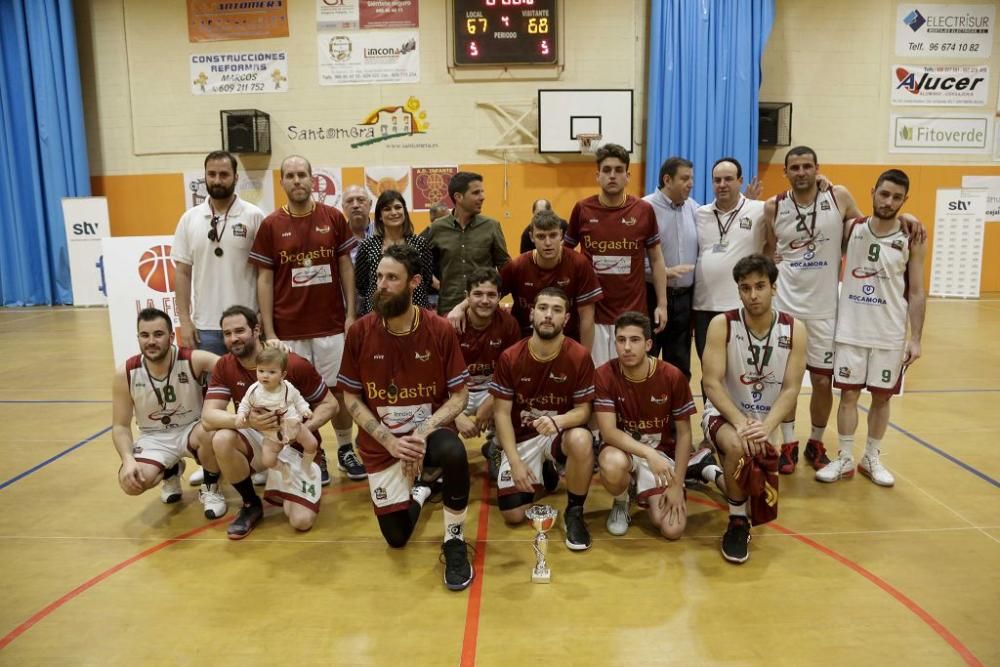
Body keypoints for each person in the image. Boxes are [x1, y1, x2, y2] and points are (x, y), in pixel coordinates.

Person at [337, 245, 475, 591]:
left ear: (414, 283)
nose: (381, 285)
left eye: (391, 278)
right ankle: (423, 490)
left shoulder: (439, 330)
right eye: (379, 277)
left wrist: (422, 433)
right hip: (382, 443)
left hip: (425, 436)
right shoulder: (360, 332)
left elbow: (460, 396)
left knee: (454, 452)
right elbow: (350, 397)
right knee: (397, 539)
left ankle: (454, 540)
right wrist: (389, 441)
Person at [251, 155, 366, 482]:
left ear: (313, 180)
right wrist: (270, 330)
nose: (297, 180)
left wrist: (350, 314)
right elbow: (264, 278)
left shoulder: (332, 218)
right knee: (294, 397)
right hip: (288, 331)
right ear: (283, 182)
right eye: (290, 175)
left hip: (330, 326)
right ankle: (313, 450)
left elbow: (346, 266)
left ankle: (345, 448)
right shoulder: (271, 224)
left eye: (302, 174)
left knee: (339, 393)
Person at [816, 169, 926, 487]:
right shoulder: (852, 228)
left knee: (882, 399)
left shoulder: (911, 236)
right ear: (873, 191)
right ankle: (846, 457)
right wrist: (823, 179)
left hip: (889, 333)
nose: (889, 202)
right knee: (847, 395)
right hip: (851, 329)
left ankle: (871, 456)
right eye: (884, 194)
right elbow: (831, 196)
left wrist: (915, 339)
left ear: (904, 200)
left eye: (896, 197)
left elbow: (917, 291)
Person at [702, 254, 806, 564]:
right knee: (738, 448)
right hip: (723, 415)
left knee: (752, 490)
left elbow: (791, 389)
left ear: (774, 288)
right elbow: (712, 384)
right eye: (745, 288)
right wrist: (742, 423)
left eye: (760, 286)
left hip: (765, 423)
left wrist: (767, 425)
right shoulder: (722, 324)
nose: (753, 295)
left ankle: (706, 469)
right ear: (738, 291)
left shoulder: (795, 329)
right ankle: (737, 522)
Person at [203, 305, 339, 539]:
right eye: (227, 333)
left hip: (295, 446)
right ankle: (250, 504)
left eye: (239, 331)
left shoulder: (291, 364)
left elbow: (330, 405)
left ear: (256, 330)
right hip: (262, 440)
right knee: (221, 437)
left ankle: (300, 474)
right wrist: (245, 421)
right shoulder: (225, 365)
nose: (233, 338)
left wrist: (302, 429)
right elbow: (208, 417)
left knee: (301, 521)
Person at [595, 311, 723, 539]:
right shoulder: (604, 375)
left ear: (648, 344)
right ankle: (621, 501)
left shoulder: (672, 376)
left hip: (662, 456)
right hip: (625, 451)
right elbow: (609, 432)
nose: (626, 347)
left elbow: (684, 434)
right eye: (621, 340)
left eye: (634, 340)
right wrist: (647, 454)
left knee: (672, 530)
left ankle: (696, 464)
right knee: (611, 463)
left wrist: (676, 485)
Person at [490, 288, 597, 550]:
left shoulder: (579, 356)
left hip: (557, 435)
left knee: (582, 438)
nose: (548, 315)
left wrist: (558, 421)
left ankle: (574, 511)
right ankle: (545, 474)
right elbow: (501, 413)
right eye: (543, 308)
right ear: (532, 313)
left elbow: (584, 411)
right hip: (523, 437)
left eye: (557, 310)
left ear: (566, 319)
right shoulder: (510, 357)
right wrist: (514, 461)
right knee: (514, 515)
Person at [111, 308, 226, 520]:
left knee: (211, 431)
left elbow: (231, 368)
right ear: (138, 338)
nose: (151, 341)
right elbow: (120, 426)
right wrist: (128, 460)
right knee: (132, 483)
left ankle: (211, 487)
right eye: (144, 335)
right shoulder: (125, 372)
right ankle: (170, 470)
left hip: (192, 429)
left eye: (158, 334)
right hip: (154, 437)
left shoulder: (193, 359)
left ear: (172, 337)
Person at [564, 143, 668, 366]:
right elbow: (565, 255)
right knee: (597, 381)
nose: (613, 175)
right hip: (594, 317)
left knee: (631, 382)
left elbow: (657, 259)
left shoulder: (643, 210)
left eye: (619, 170)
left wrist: (662, 303)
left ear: (628, 176)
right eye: (607, 170)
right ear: (597, 175)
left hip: (633, 314)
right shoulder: (582, 209)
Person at [448, 209, 603, 350]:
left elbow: (587, 317)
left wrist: (585, 357)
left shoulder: (579, 264)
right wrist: (460, 307)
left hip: (567, 339)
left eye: (553, 235)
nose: (547, 242)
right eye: (541, 236)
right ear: (531, 237)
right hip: (524, 339)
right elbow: (488, 292)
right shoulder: (517, 266)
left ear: (561, 235)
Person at [173, 150, 264, 355]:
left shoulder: (254, 216)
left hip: (246, 325)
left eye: (224, 175)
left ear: (236, 177)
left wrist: (262, 318)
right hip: (204, 328)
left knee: (251, 386)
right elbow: (182, 273)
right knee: (211, 388)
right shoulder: (189, 219)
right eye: (211, 174)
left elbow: (266, 274)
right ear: (204, 176)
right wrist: (185, 322)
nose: (217, 180)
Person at [692, 157, 767, 362]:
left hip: (742, 305)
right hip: (704, 306)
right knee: (709, 368)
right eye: (717, 180)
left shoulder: (759, 210)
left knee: (741, 368)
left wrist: (823, 183)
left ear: (740, 181)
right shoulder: (700, 213)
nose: (722, 185)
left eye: (728, 179)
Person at [642, 156, 699, 377]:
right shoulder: (644, 208)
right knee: (647, 361)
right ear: (667, 179)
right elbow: (635, 258)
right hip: (651, 297)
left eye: (691, 178)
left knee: (680, 367)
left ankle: (678, 412)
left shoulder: (694, 208)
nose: (691, 183)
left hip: (684, 299)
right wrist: (661, 273)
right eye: (685, 178)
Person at [426, 171, 511, 315]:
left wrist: (493, 296)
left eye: (482, 192)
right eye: (476, 193)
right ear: (458, 197)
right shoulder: (437, 228)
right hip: (448, 309)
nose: (482, 197)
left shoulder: (491, 226)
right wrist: (436, 283)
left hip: (483, 310)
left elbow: (507, 268)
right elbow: (426, 266)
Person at [235, 347, 319, 478]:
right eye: (261, 370)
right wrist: (241, 415)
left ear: (283, 374)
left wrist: (304, 409)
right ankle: (284, 469)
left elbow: (298, 399)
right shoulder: (254, 390)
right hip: (272, 431)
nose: (265, 375)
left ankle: (306, 467)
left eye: (271, 372)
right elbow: (245, 404)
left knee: (312, 444)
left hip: (293, 425)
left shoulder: (288, 387)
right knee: (267, 460)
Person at [354, 190, 434, 315]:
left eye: (398, 207)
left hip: (416, 311)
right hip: (377, 313)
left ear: (404, 211)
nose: (394, 212)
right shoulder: (367, 246)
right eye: (387, 209)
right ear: (379, 215)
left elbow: (427, 281)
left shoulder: (420, 243)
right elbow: (362, 284)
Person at [419, 202, 450, 310]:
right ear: (435, 220)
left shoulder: (447, 236)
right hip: (433, 296)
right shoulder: (424, 239)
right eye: (447, 218)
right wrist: (442, 288)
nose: (451, 221)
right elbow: (422, 268)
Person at [342, 184, 374, 261]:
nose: (355, 205)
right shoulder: (338, 238)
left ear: (370, 204)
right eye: (349, 201)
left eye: (361, 200)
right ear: (343, 207)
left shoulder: (384, 232)